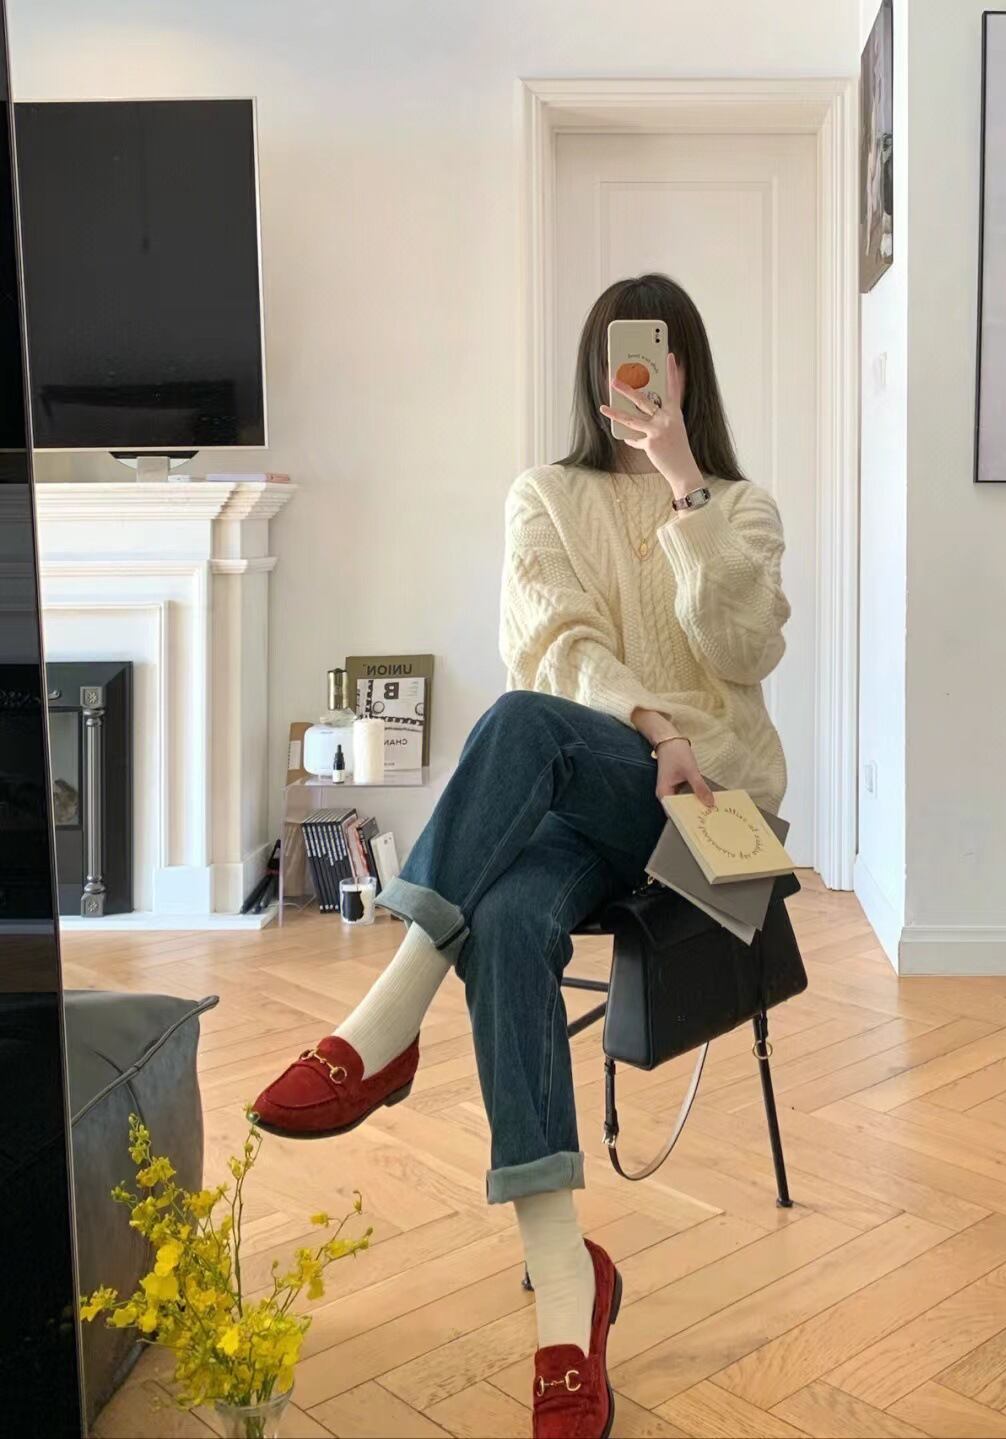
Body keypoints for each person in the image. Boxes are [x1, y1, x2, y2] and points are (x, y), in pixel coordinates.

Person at [252, 272, 789, 1438]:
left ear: (687, 367)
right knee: (504, 908)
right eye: (618, 354)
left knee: (515, 727)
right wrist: (649, 724)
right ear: (594, 371)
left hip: (709, 812)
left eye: (658, 354)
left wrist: (684, 486)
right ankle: (564, 1292)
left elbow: (743, 648)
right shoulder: (542, 496)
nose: (637, 374)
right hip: (592, 789)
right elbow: (554, 649)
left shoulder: (739, 507)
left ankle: (386, 1020)